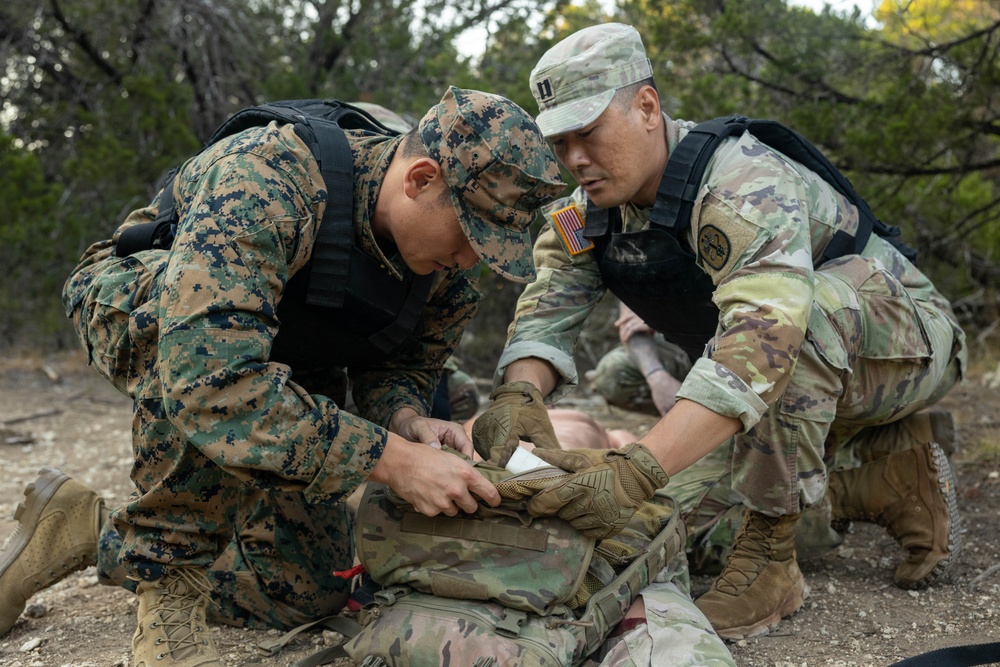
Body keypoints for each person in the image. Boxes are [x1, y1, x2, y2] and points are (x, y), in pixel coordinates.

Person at [0, 87, 567, 666]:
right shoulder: (267, 178)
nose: (473, 258)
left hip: (282, 354)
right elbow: (211, 380)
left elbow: (401, 363)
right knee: (214, 372)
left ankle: (85, 528)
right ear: (419, 179)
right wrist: (395, 461)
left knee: (301, 592)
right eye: (472, 233)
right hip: (151, 310)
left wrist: (407, 420)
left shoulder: (446, 270)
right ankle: (169, 584)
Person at [473, 23, 967, 641]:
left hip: (902, 345)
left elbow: (765, 336)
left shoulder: (740, 181)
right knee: (650, 527)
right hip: (777, 370)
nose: (576, 158)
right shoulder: (585, 212)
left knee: (789, 328)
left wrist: (636, 467)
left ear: (647, 107)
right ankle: (881, 479)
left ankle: (772, 557)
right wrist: (521, 391)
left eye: (590, 133)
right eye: (562, 141)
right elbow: (550, 301)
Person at [588, 299, 691, 415]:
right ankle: (685, 417)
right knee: (611, 374)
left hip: (712, 353)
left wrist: (664, 320)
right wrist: (656, 376)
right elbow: (632, 328)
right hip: (686, 351)